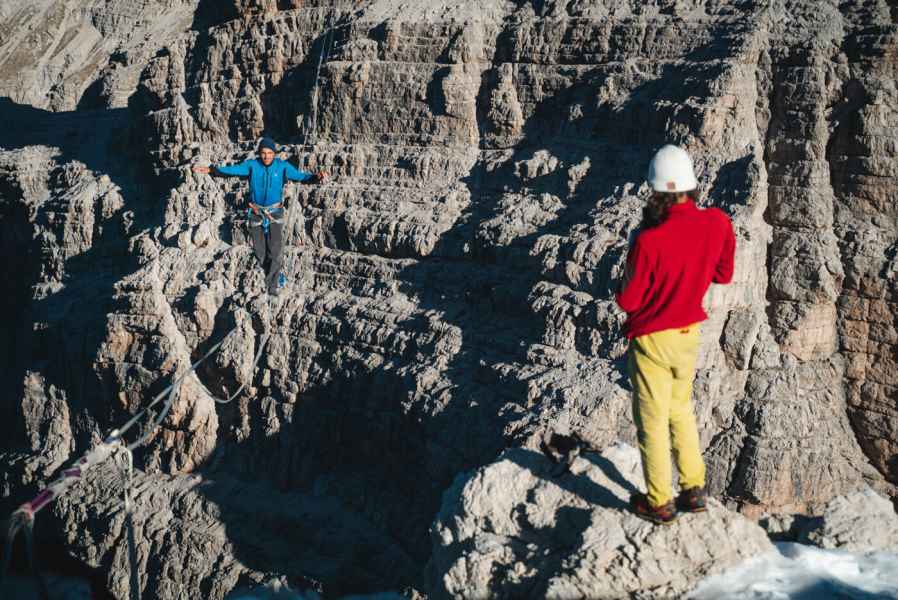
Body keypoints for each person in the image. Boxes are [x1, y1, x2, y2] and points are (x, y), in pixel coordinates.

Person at [616, 144, 736, 525]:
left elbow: (629, 301)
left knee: (651, 419)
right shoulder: (718, 222)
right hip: (688, 335)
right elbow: (723, 274)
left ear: (655, 192)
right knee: (681, 410)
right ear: (692, 187)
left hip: (653, 338)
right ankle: (694, 489)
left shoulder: (648, 240)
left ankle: (658, 502)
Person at [193, 137, 327, 294]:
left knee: (275, 251)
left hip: (275, 212)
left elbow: (300, 176)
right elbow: (234, 170)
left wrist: (316, 176)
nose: (266, 156)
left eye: (270, 153)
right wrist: (212, 170)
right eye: (263, 153)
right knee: (260, 253)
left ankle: (273, 285)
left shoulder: (281, 166)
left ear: (274, 153)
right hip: (256, 212)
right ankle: (274, 276)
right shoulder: (252, 165)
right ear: (259, 153)